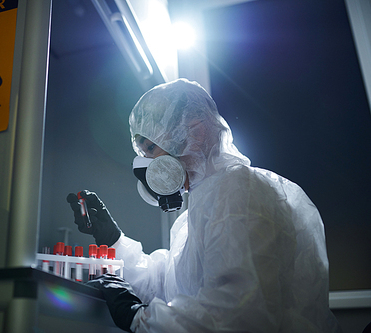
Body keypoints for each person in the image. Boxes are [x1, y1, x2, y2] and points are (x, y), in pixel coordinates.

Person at [67, 79, 341, 332]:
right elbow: (166, 284)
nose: (148, 164)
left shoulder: (238, 194)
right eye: (142, 152)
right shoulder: (203, 205)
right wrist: (114, 241)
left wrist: (139, 318)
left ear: (194, 132)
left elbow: (238, 315)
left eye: (151, 148)